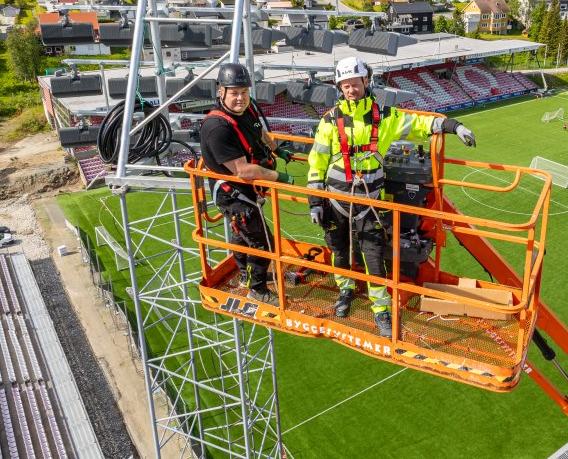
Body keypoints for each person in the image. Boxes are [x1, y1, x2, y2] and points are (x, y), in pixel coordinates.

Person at [307, 57, 476, 338]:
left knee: (373, 258)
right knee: (340, 251)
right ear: (340, 87)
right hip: (335, 200)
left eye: (355, 84)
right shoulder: (329, 121)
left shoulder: (386, 117)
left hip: (369, 203)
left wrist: (453, 125)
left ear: (366, 82)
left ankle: (380, 310)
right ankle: (345, 292)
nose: (350, 90)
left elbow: (421, 123)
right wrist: (315, 201)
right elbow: (318, 161)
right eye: (345, 85)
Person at [200, 62, 294, 306]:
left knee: (243, 236)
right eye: (234, 93)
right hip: (234, 193)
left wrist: (276, 150)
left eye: (243, 92)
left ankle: (244, 276)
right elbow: (243, 170)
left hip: (245, 191)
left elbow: (258, 131)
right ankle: (257, 288)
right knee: (263, 243)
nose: (240, 98)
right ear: (221, 92)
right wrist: (280, 177)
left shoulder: (246, 110)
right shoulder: (218, 128)